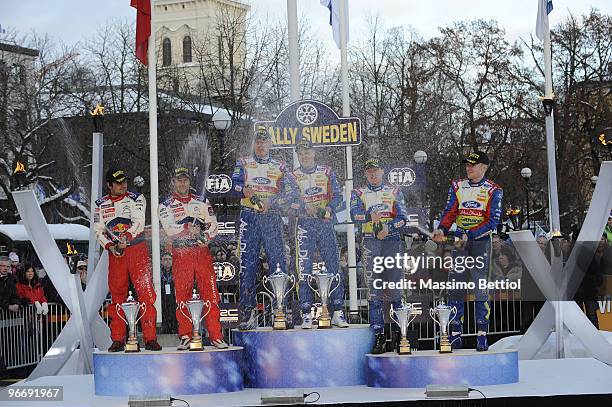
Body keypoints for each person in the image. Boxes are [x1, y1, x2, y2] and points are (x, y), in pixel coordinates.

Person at [433, 151, 503, 351]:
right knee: (455, 287)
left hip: (481, 244)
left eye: (473, 164)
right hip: (460, 246)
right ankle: (455, 334)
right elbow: (450, 212)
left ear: (484, 167)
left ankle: (482, 333)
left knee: (481, 289)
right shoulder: (457, 186)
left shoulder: (494, 190)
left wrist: (470, 234)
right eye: (467, 164)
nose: (469, 168)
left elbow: (492, 223)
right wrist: (442, 229)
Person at [231, 127, 296, 330]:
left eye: (264, 142)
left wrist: (274, 202)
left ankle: (280, 311)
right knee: (247, 266)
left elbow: (292, 191)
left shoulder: (280, 166)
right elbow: (233, 184)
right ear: (254, 144)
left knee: (278, 264)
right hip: (249, 217)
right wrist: (244, 190)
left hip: (272, 217)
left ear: (270, 144)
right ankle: (248, 314)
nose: (260, 146)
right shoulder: (243, 162)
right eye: (257, 142)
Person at [159, 167, 228, 349]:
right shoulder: (165, 205)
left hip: (201, 252)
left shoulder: (202, 201)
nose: (183, 183)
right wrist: (187, 226)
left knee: (211, 295)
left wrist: (206, 237)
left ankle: (215, 335)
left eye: (185, 180)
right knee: (182, 296)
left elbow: (214, 225)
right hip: (181, 253)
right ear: (173, 182)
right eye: (179, 180)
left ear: (189, 182)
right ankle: (186, 336)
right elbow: (169, 228)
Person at [93, 168, 161, 352]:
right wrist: (110, 246)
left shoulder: (136, 198)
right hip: (116, 253)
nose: (123, 185)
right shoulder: (100, 204)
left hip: (137, 249)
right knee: (117, 296)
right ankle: (118, 339)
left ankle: (150, 338)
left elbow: (138, 222)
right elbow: (98, 230)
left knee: (146, 294)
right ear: (109, 185)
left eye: (124, 181)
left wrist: (125, 238)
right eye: (118, 182)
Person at [289, 138, 348, 329]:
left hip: (324, 225)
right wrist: (304, 208)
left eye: (307, 152)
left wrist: (328, 209)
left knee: (334, 267)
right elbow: (287, 201)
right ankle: (306, 313)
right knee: (303, 269)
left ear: (314, 153)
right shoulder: (292, 175)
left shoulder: (327, 172)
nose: (304, 156)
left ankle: (337, 311)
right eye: (301, 153)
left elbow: (338, 197)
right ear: (298, 156)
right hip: (304, 226)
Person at [351, 158, 408, 354]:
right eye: (369, 171)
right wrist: (369, 216)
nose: (373, 174)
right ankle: (379, 336)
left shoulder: (394, 191)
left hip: (392, 242)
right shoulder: (358, 193)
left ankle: (402, 335)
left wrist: (388, 226)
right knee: (374, 291)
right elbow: (353, 216)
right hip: (370, 242)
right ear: (365, 174)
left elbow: (403, 218)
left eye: (376, 170)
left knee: (396, 289)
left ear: (383, 171)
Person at [159, 252, 178, 334]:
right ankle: (165, 328)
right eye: (165, 259)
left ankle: (174, 328)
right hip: (162, 297)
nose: (168, 261)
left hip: (173, 296)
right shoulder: (158, 272)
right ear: (161, 261)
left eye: (170, 259)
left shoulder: (176, 271)